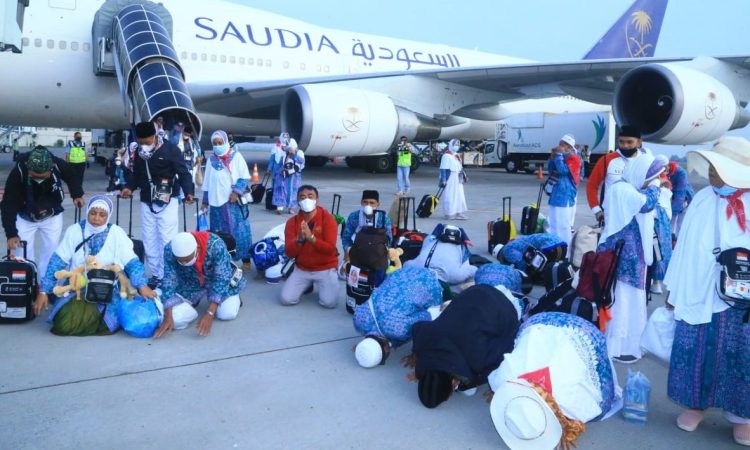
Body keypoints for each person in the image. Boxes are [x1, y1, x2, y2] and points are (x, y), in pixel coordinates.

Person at [664, 137, 750, 446]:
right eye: (711, 167)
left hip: (741, 299)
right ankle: (696, 406)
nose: (712, 173)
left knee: (741, 354)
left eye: (719, 169)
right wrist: (673, 288)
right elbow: (684, 247)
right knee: (697, 350)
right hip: (699, 291)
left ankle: (743, 418)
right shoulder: (702, 199)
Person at [489, 312, 618, 450]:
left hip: (584, 334)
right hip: (536, 323)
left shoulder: (571, 403)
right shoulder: (503, 379)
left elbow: (592, 410)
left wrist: (565, 431)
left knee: (603, 404)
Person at [34, 195, 157, 334]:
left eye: (102, 215)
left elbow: (132, 262)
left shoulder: (116, 233)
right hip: (79, 288)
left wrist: (142, 285)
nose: (96, 218)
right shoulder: (74, 231)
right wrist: (44, 291)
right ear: (87, 212)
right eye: (93, 213)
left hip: (109, 290)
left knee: (106, 323)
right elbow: (57, 262)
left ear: (108, 216)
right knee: (64, 323)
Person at [405, 283, 521, 408]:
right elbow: (417, 328)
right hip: (474, 292)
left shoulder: (479, 361)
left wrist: (496, 386)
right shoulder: (425, 339)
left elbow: (508, 348)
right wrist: (417, 356)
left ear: (454, 381)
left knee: (469, 391)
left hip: (506, 306)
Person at [598, 154, 663, 363]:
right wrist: (656, 185)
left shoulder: (623, 187)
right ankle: (621, 345)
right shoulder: (624, 190)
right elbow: (648, 204)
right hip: (625, 256)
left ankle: (628, 343)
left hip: (626, 253)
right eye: (648, 176)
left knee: (625, 299)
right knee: (624, 300)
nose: (648, 181)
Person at [120, 121, 195, 289]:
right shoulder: (136, 152)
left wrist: (189, 192)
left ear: (154, 136)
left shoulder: (170, 150)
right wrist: (128, 188)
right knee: (149, 240)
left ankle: (169, 274)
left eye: (147, 141)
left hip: (168, 201)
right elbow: (134, 174)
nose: (144, 145)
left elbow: (183, 173)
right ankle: (156, 275)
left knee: (166, 240)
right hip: (147, 201)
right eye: (141, 142)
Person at [1, 146, 85, 278]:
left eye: (42, 176)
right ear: (29, 168)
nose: (38, 179)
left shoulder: (57, 164)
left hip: (52, 216)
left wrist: (77, 194)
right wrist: (11, 233)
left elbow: (71, 176)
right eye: (34, 176)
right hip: (25, 216)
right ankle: (27, 285)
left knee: (51, 251)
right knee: (22, 254)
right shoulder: (19, 171)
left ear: (50, 168)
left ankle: (46, 286)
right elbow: (8, 203)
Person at [155, 232, 244, 338]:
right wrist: (168, 315)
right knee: (163, 301)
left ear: (197, 249)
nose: (184, 263)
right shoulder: (170, 249)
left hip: (217, 280)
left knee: (227, 314)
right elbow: (169, 279)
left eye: (187, 260)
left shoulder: (216, 245)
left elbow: (221, 278)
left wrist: (210, 313)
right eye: (180, 261)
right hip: (190, 281)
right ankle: (195, 299)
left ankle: (234, 296)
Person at [353, 267, 444, 368]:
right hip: (402, 272)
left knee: (435, 315)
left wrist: (417, 354)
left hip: (429, 280)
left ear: (386, 349)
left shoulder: (400, 330)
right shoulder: (358, 320)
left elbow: (428, 317)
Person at [280, 185, 340, 308]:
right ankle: (307, 284)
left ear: (317, 200)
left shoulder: (328, 219)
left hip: (325, 268)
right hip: (302, 268)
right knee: (286, 299)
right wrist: (299, 240)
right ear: (298, 202)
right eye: (302, 197)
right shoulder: (292, 222)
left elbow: (330, 250)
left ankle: (326, 281)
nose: (306, 199)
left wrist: (311, 238)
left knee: (329, 303)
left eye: (310, 196)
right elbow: (289, 252)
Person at [201, 130, 253, 271]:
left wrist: (236, 192)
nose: (217, 146)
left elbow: (244, 176)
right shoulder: (212, 160)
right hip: (216, 204)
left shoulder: (235, 156)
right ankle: (224, 259)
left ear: (225, 142)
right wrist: (205, 201)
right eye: (215, 143)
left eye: (220, 143)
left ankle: (245, 258)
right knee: (218, 232)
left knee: (239, 231)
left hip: (232, 203)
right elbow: (207, 182)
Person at [587, 125, 649, 223]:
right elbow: (592, 185)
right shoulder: (606, 160)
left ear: (639, 142)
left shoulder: (647, 161)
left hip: (639, 218)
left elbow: (662, 183)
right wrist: (596, 210)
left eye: (629, 142)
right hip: (612, 217)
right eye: (621, 142)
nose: (625, 146)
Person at [404, 224, 476, 286]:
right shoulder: (456, 276)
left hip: (424, 269)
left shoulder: (430, 239)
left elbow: (406, 264)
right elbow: (474, 270)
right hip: (450, 277)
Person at [546, 134, 581, 251]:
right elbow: (551, 170)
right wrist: (552, 157)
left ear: (569, 147)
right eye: (560, 144)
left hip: (565, 195)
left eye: (563, 145)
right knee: (553, 222)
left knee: (563, 225)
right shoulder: (560, 157)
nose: (560, 147)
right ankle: (555, 247)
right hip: (556, 193)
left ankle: (566, 249)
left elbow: (563, 171)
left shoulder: (574, 158)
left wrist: (559, 155)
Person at [650, 154, 673, 295]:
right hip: (661, 222)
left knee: (657, 252)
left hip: (658, 221)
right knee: (659, 252)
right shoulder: (663, 184)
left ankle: (656, 282)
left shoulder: (661, 184)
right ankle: (656, 282)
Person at [268, 131, 305, 214]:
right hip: (283, 176)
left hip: (294, 177)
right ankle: (279, 207)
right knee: (280, 190)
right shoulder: (280, 150)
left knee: (293, 192)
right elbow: (274, 161)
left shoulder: (299, 153)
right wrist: (270, 169)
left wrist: (293, 154)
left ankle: (291, 207)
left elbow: (301, 164)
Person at [439, 139, 468, 220]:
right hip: (450, 178)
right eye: (455, 144)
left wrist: (464, 176)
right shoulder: (446, 155)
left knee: (460, 195)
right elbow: (443, 169)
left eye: (458, 145)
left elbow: (460, 167)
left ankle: (459, 212)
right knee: (450, 195)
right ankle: (449, 213)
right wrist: (444, 179)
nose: (457, 146)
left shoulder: (456, 155)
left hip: (458, 177)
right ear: (451, 145)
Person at [666, 159, 695, 236]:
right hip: (674, 199)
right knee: (672, 225)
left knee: (680, 225)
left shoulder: (681, 173)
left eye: (666, 168)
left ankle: (679, 242)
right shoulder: (663, 171)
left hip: (685, 199)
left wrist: (670, 213)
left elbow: (680, 196)